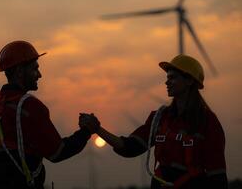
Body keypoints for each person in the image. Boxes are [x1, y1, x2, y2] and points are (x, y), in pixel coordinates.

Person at [80, 55, 228, 188]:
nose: (167, 82)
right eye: (167, 77)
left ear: (189, 80)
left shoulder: (208, 122)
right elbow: (129, 147)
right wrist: (98, 129)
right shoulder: (159, 118)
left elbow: (218, 177)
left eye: (173, 77)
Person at [0, 40, 99, 189]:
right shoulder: (30, 107)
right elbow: (57, 153)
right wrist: (86, 131)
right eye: (34, 68)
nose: (39, 74)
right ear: (19, 71)